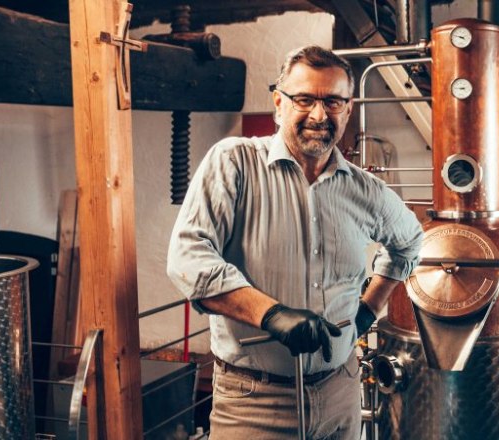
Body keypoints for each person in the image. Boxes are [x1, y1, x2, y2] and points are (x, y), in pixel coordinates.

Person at [167, 45, 423, 440]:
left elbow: (409, 243)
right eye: (304, 99)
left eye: (333, 101)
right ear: (279, 103)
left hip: (340, 392)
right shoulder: (234, 163)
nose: (319, 115)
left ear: (348, 109)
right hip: (254, 401)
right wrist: (271, 314)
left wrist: (367, 311)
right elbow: (188, 258)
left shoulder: (365, 189)